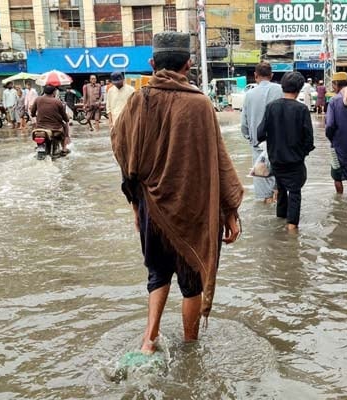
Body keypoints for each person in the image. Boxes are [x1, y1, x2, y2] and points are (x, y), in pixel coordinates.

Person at [111, 31, 243, 355]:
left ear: (153, 64)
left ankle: (149, 339)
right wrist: (230, 212)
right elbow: (219, 161)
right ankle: (190, 347)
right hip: (192, 211)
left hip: (150, 209)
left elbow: (121, 147)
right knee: (191, 282)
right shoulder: (200, 104)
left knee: (157, 274)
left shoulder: (138, 101)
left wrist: (135, 204)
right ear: (189, 64)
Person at [256, 72, 315, 232]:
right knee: (294, 193)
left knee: (281, 190)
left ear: (283, 86)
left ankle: (280, 224)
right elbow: (309, 140)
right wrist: (301, 153)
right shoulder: (302, 109)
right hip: (295, 162)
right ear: (299, 89)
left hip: (276, 161)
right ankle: (291, 231)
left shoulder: (271, 107)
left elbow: (260, 134)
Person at [241, 61, 283, 203]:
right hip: (280, 146)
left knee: (264, 192)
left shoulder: (249, 94)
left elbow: (244, 124)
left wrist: (250, 138)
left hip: (258, 146)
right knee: (281, 187)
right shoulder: (281, 90)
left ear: (255, 75)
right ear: (271, 75)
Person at [31, 85, 70, 154]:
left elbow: (32, 113)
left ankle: (41, 148)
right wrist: (67, 118)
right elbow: (65, 117)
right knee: (65, 126)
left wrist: (35, 115)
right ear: (54, 92)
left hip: (40, 127)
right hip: (55, 128)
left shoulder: (37, 99)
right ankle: (64, 148)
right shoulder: (57, 102)